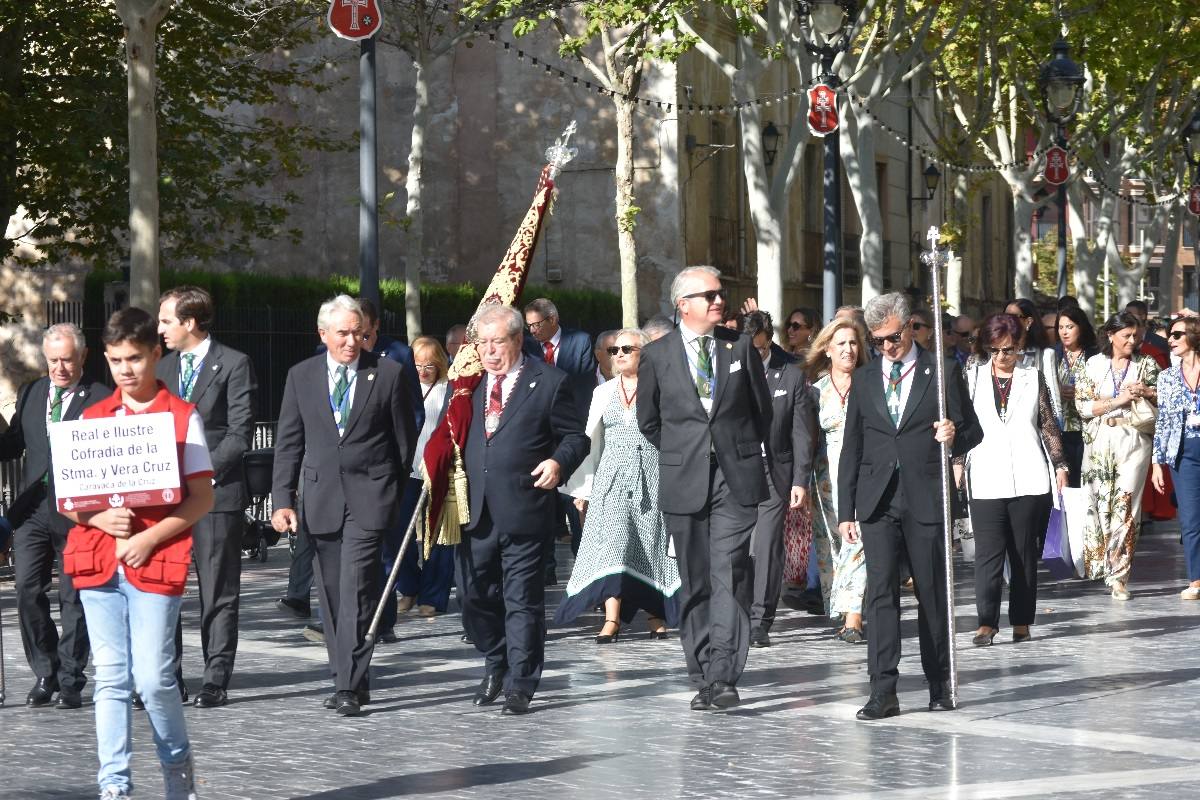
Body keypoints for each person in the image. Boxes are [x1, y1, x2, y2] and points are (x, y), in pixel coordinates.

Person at [61, 307, 214, 800]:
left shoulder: (183, 417)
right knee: (110, 678)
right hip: (98, 559)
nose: (125, 370)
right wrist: (97, 518)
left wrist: (149, 537)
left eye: (134, 358)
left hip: (155, 559)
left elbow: (202, 496)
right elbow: (69, 499)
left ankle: (177, 770)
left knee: (152, 678)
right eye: (114, 360)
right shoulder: (91, 417)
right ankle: (115, 787)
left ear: (156, 353)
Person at [270, 295, 417, 716]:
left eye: (359, 332)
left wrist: (388, 489)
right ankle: (349, 675)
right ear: (324, 335)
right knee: (332, 594)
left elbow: (403, 442)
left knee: (355, 587)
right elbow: (289, 443)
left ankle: (348, 685)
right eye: (343, 333)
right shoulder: (302, 376)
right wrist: (282, 500)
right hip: (320, 501)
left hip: (369, 500)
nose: (352, 341)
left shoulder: (387, 374)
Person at [837, 292, 981, 720]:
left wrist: (954, 434)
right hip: (877, 500)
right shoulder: (864, 380)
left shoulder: (942, 371)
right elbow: (852, 447)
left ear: (910, 326)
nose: (886, 347)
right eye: (877, 340)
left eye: (893, 337)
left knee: (933, 592)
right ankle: (883, 690)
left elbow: (973, 431)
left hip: (927, 496)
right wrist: (847, 510)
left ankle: (939, 682)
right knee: (880, 595)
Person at [637, 266, 772, 712]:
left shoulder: (739, 349)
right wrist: (686, 452)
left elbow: (761, 412)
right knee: (695, 580)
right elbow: (650, 422)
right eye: (709, 294)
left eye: (721, 292)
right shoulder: (657, 356)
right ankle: (701, 673)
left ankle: (723, 674)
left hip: (734, 479)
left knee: (729, 571)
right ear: (683, 304)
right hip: (685, 480)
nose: (719, 300)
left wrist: (738, 450)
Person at [458, 303, 588, 715]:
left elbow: (575, 437)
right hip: (476, 510)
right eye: (483, 342)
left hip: (524, 506)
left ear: (518, 339)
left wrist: (557, 462)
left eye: (499, 341)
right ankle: (496, 658)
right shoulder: (469, 386)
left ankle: (521, 681)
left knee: (522, 600)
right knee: (473, 595)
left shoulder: (549, 382)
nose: (490, 351)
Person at [157, 286, 257, 709]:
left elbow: (240, 431)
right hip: (165, 499)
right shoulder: (160, 368)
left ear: (190, 322)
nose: (159, 329)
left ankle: (215, 677)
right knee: (164, 591)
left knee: (218, 590)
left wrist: (197, 474)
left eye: (166, 321)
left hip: (215, 494)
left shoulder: (234, 364)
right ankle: (169, 676)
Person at [0, 323, 108, 709]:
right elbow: (14, 444)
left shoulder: (101, 398)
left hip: (80, 513)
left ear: (83, 357)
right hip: (32, 510)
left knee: (74, 597)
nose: (59, 368)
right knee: (27, 590)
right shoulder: (32, 392)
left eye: (66, 360)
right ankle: (45, 672)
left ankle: (71, 678)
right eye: (52, 361)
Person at [558, 328, 681, 640]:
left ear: (645, 353)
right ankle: (611, 619)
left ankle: (656, 614)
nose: (619, 354)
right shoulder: (603, 392)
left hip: (652, 476)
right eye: (614, 350)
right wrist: (584, 490)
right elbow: (592, 444)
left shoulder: (661, 388)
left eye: (628, 348)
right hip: (611, 479)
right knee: (614, 544)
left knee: (649, 545)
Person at [963, 314, 1068, 646]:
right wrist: (955, 461)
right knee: (988, 553)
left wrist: (1061, 464)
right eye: (994, 350)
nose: (1001, 357)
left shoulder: (1032, 378)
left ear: (1020, 345)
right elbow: (962, 425)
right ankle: (986, 622)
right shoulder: (973, 377)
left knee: (1023, 553)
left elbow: (1048, 424)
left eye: (1007, 350)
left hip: (1028, 474)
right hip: (985, 473)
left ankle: (1022, 619)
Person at [741, 311, 816, 648]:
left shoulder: (791, 376)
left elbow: (802, 434)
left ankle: (761, 619)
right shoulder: (731, 370)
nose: (753, 357)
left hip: (775, 471)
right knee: (737, 546)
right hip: (736, 470)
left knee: (768, 544)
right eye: (749, 350)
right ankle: (736, 612)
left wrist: (800, 479)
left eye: (758, 350)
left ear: (768, 340)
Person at [1074, 311, 1160, 600]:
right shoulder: (1093, 365)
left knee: (1126, 505)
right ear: (1110, 335)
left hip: (1133, 439)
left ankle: (1119, 575)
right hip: (1099, 441)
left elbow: (1163, 397)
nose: (1132, 341)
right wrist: (1118, 400)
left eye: (1136, 335)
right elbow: (1082, 406)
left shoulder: (1146, 364)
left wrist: (1145, 391)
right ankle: (1101, 563)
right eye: (1126, 335)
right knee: (1099, 503)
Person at [522, 297, 597, 584]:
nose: (532, 331)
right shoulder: (528, 348)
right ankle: (546, 568)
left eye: (536, 325)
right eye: (528, 326)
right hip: (539, 434)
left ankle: (583, 570)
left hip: (569, 430)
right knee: (543, 504)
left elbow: (581, 385)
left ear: (553, 319)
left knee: (573, 501)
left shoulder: (579, 341)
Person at [806, 318, 869, 644]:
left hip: (865, 476)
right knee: (831, 546)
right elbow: (804, 441)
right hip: (825, 481)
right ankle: (844, 611)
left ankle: (853, 617)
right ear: (827, 349)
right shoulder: (815, 392)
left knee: (857, 539)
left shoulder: (870, 384)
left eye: (853, 343)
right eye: (841, 343)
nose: (848, 349)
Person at [390, 337, 453, 617]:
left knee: (438, 537)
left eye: (430, 364)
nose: (423, 371)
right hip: (407, 471)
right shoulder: (401, 388)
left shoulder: (449, 390)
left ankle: (433, 595)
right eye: (417, 365)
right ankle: (409, 586)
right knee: (396, 533)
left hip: (439, 472)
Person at [1151, 317, 1200, 599]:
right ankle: (1196, 580)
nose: (1171, 339)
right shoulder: (1167, 376)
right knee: (1191, 520)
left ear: (1193, 337)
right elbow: (1163, 423)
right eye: (1170, 334)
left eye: (1177, 334)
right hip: (1183, 454)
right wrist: (1157, 463)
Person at [1056, 306, 1099, 486]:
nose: (1064, 332)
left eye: (1070, 327)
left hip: (1086, 428)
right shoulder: (1053, 354)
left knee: (1084, 482)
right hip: (1059, 428)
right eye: (1060, 327)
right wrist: (1058, 389)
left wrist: (1081, 392)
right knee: (1063, 483)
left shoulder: (1094, 354)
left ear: (1080, 327)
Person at [1005, 299, 1063, 425]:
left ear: (1028, 322)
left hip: (1032, 428)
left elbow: (1053, 397)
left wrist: (1056, 431)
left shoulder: (1045, 355)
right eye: (1004, 316)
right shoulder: (994, 353)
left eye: (1013, 317)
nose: (1007, 321)